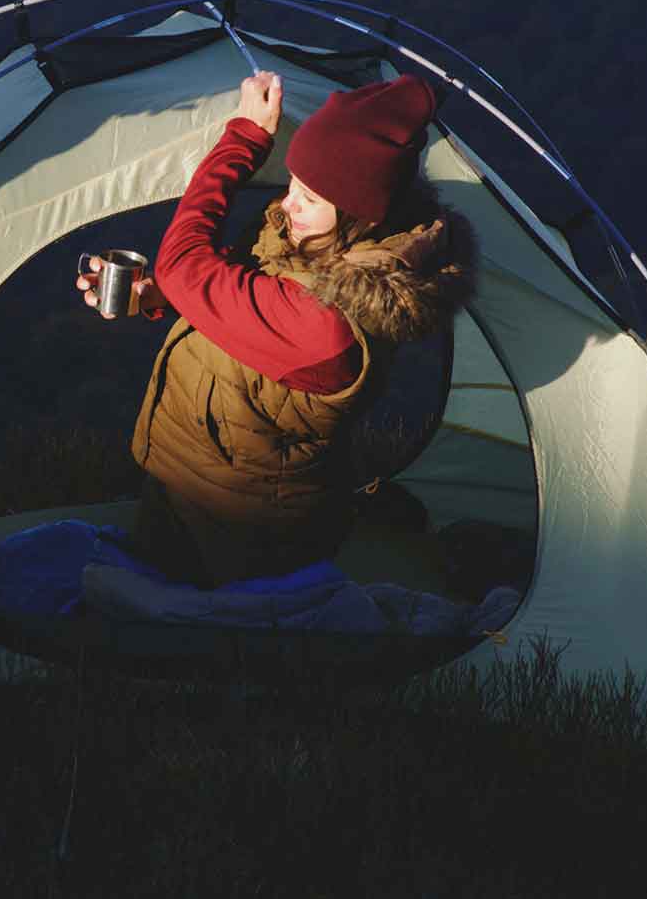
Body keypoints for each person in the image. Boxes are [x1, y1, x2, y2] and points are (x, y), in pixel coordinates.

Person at [76, 70, 476, 588]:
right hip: (197, 481)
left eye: (308, 198)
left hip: (244, 528)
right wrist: (159, 297)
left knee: (187, 647)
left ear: (360, 216)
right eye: (292, 185)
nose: (288, 205)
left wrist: (243, 138)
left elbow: (186, 266)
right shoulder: (318, 242)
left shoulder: (329, 327)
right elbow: (243, 310)